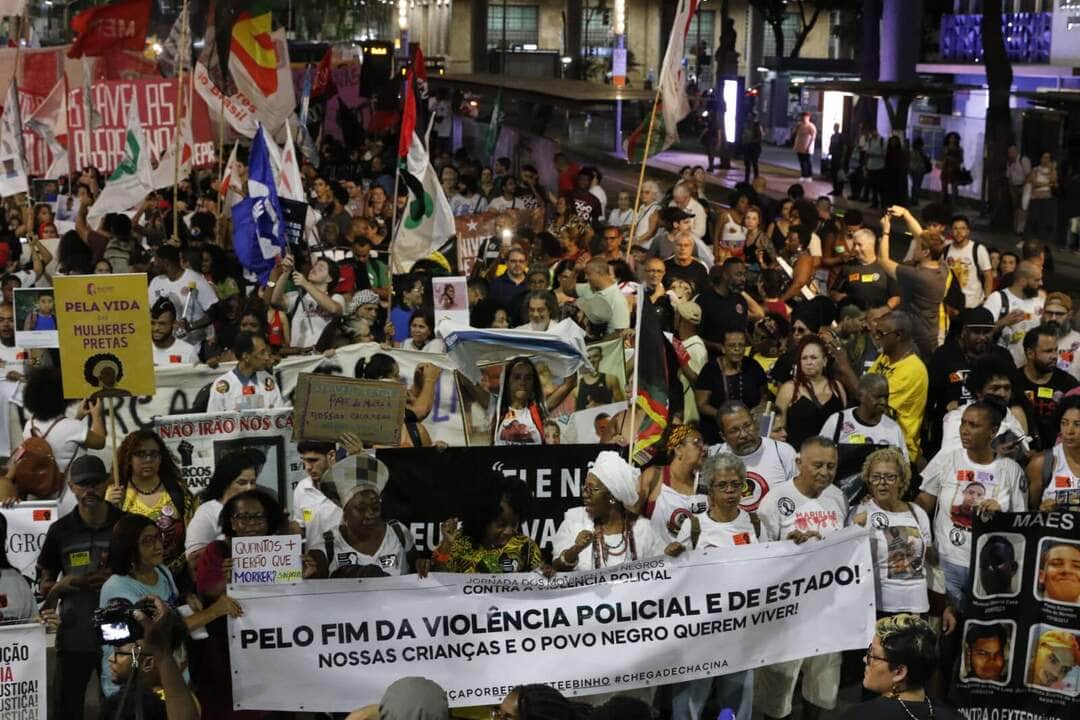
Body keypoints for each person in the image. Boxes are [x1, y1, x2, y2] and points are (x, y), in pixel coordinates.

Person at [98, 513, 240, 698]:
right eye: (148, 541)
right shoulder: (116, 587)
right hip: (134, 689)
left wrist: (185, 598)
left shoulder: (162, 571)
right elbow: (155, 635)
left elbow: (170, 608)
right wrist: (213, 611)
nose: (158, 546)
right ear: (129, 549)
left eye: (159, 537)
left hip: (170, 679)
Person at [756, 437, 847, 720]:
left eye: (831, 466)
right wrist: (789, 547)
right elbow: (761, 557)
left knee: (822, 683)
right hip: (786, 610)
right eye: (817, 465)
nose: (824, 472)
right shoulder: (775, 499)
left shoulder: (838, 497)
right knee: (779, 685)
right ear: (799, 463)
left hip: (827, 607)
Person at [668, 452, 757, 720]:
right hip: (700, 632)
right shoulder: (694, 528)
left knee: (736, 706)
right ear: (710, 488)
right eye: (722, 485)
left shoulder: (755, 524)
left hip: (741, 630)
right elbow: (674, 581)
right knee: (689, 705)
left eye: (735, 484)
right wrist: (670, 557)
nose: (730, 491)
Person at [38, 455, 125, 720]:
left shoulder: (125, 525)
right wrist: (61, 586)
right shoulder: (59, 531)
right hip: (75, 632)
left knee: (122, 706)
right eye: (82, 484)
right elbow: (44, 583)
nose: (90, 490)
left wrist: (116, 577)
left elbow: (146, 573)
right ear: (71, 486)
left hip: (120, 630)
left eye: (96, 483)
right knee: (66, 709)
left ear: (107, 482)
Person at [916, 401, 1027, 608]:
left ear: (993, 431)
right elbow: (922, 504)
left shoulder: (1012, 471)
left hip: (989, 568)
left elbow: (1022, 525)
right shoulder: (946, 460)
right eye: (963, 424)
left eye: (974, 425)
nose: (965, 430)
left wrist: (1001, 513)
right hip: (946, 563)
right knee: (945, 632)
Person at [195, 487, 285, 718]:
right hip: (227, 648)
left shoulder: (283, 551)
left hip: (273, 646)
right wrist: (228, 581)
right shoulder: (217, 550)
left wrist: (306, 574)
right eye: (243, 518)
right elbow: (207, 593)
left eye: (258, 517)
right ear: (231, 523)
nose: (251, 524)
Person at [306, 458, 426, 578]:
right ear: (345, 513)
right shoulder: (329, 545)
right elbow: (315, 567)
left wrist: (421, 566)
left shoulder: (398, 532)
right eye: (361, 509)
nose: (370, 515)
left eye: (375, 507)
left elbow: (415, 567)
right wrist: (308, 570)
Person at [850, 448, 931, 615]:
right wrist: (854, 530)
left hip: (918, 608)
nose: (882, 482)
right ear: (868, 480)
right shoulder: (859, 513)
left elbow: (929, 558)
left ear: (901, 480)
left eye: (890, 477)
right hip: (881, 608)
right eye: (876, 477)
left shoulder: (917, 512)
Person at [552, 451, 666, 571]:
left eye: (592, 489)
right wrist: (575, 549)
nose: (585, 494)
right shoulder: (575, 522)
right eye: (584, 488)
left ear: (612, 497)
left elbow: (664, 571)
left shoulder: (643, 529)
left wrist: (674, 553)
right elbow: (556, 569)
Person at [840, 614, 960, 720]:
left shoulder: (857, 716)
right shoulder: (954, 715)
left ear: (899, 672)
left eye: (874, 656)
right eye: (869, 651)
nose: (865, 659)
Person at [100, 596, 200, 720]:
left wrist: (162, 654)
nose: (111, 658)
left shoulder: (160, 707)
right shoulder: (126, 698)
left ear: (148, 663)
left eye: (119, 653)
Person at [433, 471, 543, 574]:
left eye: (514, 524)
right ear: (483, 518)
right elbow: (436, 582)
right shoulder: (456, 543)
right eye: (501, 524)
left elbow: (540, 582)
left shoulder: (526, 547)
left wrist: (547, 573)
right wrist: (446, 546)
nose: (508, 531)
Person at [820, 374, 908, 496]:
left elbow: (903, 469)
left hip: (878, 503)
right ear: (861, 396)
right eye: (877, 397)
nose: (883, 402)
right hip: (839, 499)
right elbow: (819, 459)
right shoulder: (837, 421)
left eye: (886, 397)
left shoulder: (893, 428)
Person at [879, 210, 948, 358]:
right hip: (929, 335)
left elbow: (884, 261)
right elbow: (921, 236)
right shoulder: (942, 269)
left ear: (925, 253)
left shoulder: (917, 276)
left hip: (916, 340)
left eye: (917, 246)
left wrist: (885, 231)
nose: (914, 248)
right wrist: (906, 214)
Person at [709, 401, 797, 512]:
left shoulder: (783, 452)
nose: (744, 434)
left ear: (755, 423)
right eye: (734, 430)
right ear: (723, 436)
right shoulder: (713, 456)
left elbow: (799, 497)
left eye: (747, 426)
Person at [185, 449, 263, 569]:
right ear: (226, 482)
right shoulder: (207, 512)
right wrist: (229, 544)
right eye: (242, 482)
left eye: (252, 482)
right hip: (220, 584)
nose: (249, 488)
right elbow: (193, 560)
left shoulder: (261, 507)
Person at [868, 311, 928, 461]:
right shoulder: (886, 357)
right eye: (875, 332)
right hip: (878, 442)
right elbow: (865, 384)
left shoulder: (912, 369)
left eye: (881, 333)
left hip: (900, 451)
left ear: (898, 336)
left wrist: (843, 362)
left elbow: (869, 400)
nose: (876, 337)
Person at [694, 327, 767, 443]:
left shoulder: (753, 366)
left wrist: (757, 411)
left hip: (750, 430)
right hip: (718, 433)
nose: (737, 349)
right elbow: (702, 404)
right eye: (732, 345)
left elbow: (763, 395)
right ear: (723, 348)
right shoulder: (710, 370)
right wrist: (726, 416)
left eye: (741, 345)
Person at [775, 335, 847, 452]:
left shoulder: (837, 387)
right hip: (798, 456)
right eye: (804, 358)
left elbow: (845, 425)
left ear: (824, 361)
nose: (809, 362)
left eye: (813, 358)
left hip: (831, 455)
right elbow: (777, 428)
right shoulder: (789, 389)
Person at [638, 426, 708, 542]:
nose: (704, 449)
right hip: (657, 556)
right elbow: (632, 517)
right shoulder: (654, 475)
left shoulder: (705, 481)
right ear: (679, 449)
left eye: (704, 444)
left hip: (698, 557)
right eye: (697, 443)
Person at [1021, 325, 1079, 449]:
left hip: (1058, 453)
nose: (1054, 356)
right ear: (1030, 353)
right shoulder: (1014, 381)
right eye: (1048, 351)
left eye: (1055, 350)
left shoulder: (1069, 384)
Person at [494, 357, 571, 446]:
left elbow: (569, 383)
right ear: (507, 381)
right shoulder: (497, 408)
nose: (522, 382)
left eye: (528, 378)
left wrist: (567, 350)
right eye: (517, 377)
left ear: (533, 383)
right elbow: (474, 388)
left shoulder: (539, 409)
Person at [982, 261, 1044, 366]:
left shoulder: (1040, 301)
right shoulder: (997, 298)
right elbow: (980, 331)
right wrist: (1003, 322)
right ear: (1023, 281)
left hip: (1028, 368)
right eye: (1036, 280)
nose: (1041, 283)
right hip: (999, 363)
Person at [205, 332, 283, 412]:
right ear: (246, 356)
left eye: (267, 352)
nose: (267, 357)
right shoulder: (222, 385)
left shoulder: (268, 381)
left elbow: (279, 416)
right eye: (262, 353)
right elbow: (214, 420)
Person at [1028, 396, 1080, 510]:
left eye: (1077, 424)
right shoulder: (1041, 463)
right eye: (1064, 423)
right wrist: (1043, 509)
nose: (1069, 431)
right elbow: (1030, 512)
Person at [832, 229, 899, 311]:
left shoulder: (886, 267)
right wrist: (839, 297)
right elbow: (833, 291)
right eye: (854, 244)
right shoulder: (848, 266)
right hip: (852, 320)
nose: (855, 248)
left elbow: (896, 297)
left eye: (859, 245)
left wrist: (882, 311)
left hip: (877, 320)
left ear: (871, 245)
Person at [575, 257, 630, 331]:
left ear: (599, 273)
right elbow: (568, 289)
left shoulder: (617, 299)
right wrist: (574, 272)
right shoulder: (589, 288)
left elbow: (620, 333)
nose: (586, 277)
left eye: (588, 274)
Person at [150, 298, 200, 366]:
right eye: (152, 323)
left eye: (162, 324)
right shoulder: (140, 351)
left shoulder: (189, 351)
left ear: (174, 324)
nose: (156, 328)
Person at [1026, 151, 1059, 245]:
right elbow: (1034, 183)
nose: (1045, 160)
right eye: (1044, 157)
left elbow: (1054, 182)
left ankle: (1042, 240)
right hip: (1035, 198)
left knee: (1044, 220)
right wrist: (1048, 183)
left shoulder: (1052, 170)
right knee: (1033, 218)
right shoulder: (1035, 169)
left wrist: (1051, 171)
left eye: (1047, 158)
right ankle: (1030, 238)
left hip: (1047, 198)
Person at [1005, 145, 1032, 235]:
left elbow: (1028, 175)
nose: (1010, 154)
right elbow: (1008, 176)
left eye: (1011, 152)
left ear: (1016, 151)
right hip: (1013, 186)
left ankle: (1021, 229)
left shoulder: (1023, 160)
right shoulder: (1009, 162)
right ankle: (1015, 227)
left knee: (1022, 208)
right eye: (1009, 153)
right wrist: (1011, 187)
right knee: (1015, 208)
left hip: (1023, 186)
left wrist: (1023, 187)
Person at [940, 132, 964, 205]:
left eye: (954, 138)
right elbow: (942, 158)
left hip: (955, 169)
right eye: (951, 137)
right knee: (944, 188)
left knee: (954, 188)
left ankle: (953, 204)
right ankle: (944, 203)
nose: (952, 139)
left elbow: (961, 160)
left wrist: (951, 159)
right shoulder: (945, 148)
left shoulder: (959, 149)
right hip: (945, 169)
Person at [793, 112, 817, 181]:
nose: (803, 118)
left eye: (805, 117)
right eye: (802, 117)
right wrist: (796, 127)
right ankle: (803, 175)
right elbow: (794, 133)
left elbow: (813, 137)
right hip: (799, 147)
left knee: (808, 162)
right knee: (802, 162)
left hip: (807, 148)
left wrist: (809, 146)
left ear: (808, 118)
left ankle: (809, 176)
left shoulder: (811, 126)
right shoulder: (799, 125)